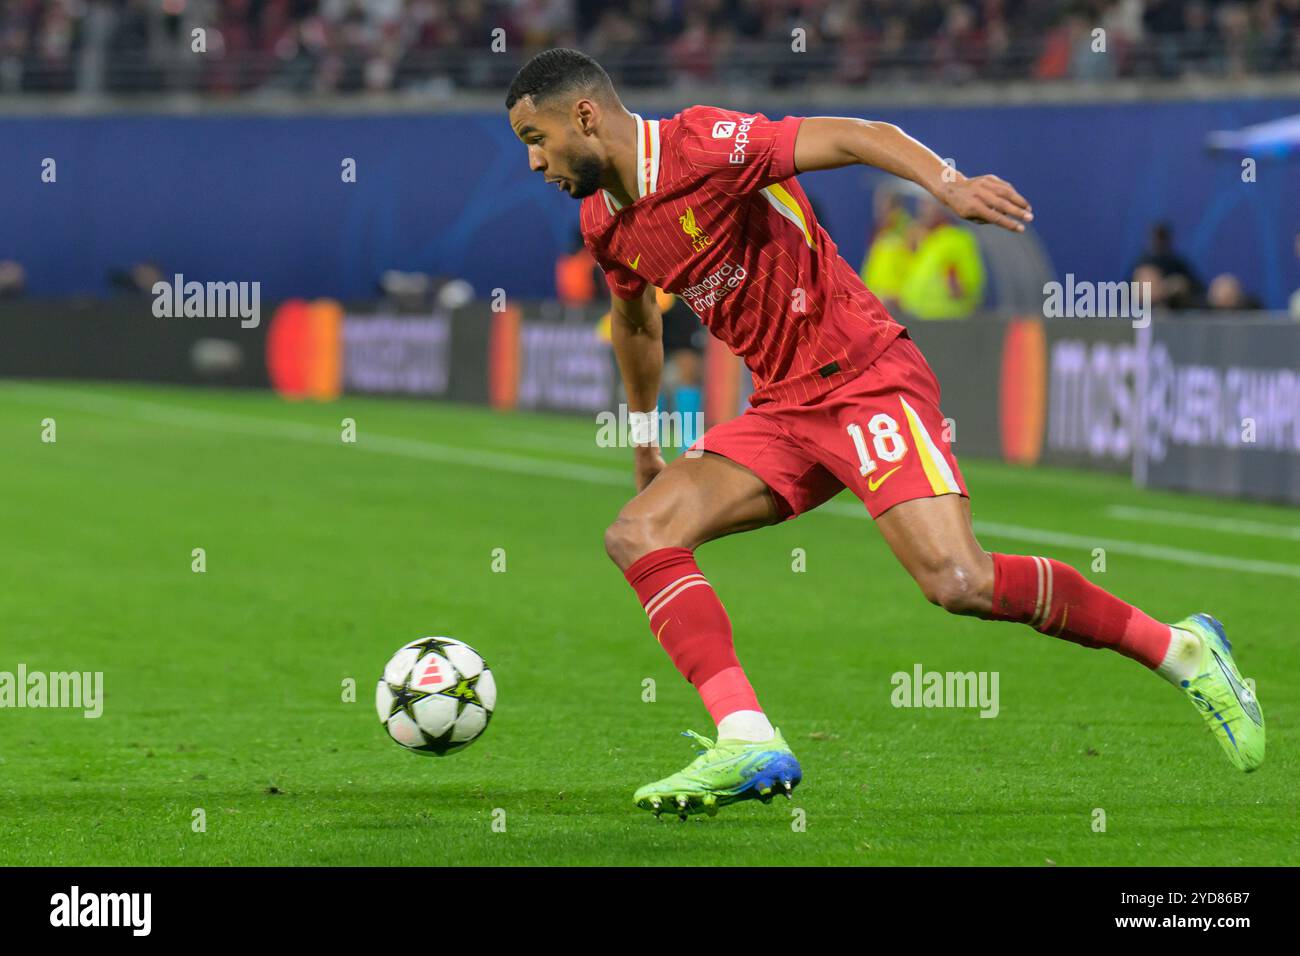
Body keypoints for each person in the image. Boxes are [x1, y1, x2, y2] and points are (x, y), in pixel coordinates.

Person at [504, 49, 1265, 817]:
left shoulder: (703, 146)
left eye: (536, 138)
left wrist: (948, 183)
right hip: (784, 410)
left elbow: (854, 134)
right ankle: (746, 736)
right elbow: (634, 322)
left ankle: (1181, 650)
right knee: (639, 533)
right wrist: (643, 435)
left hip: (864, 375)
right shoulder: (603, 222)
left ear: (585, 115)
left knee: (958, 583)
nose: (535, 162)